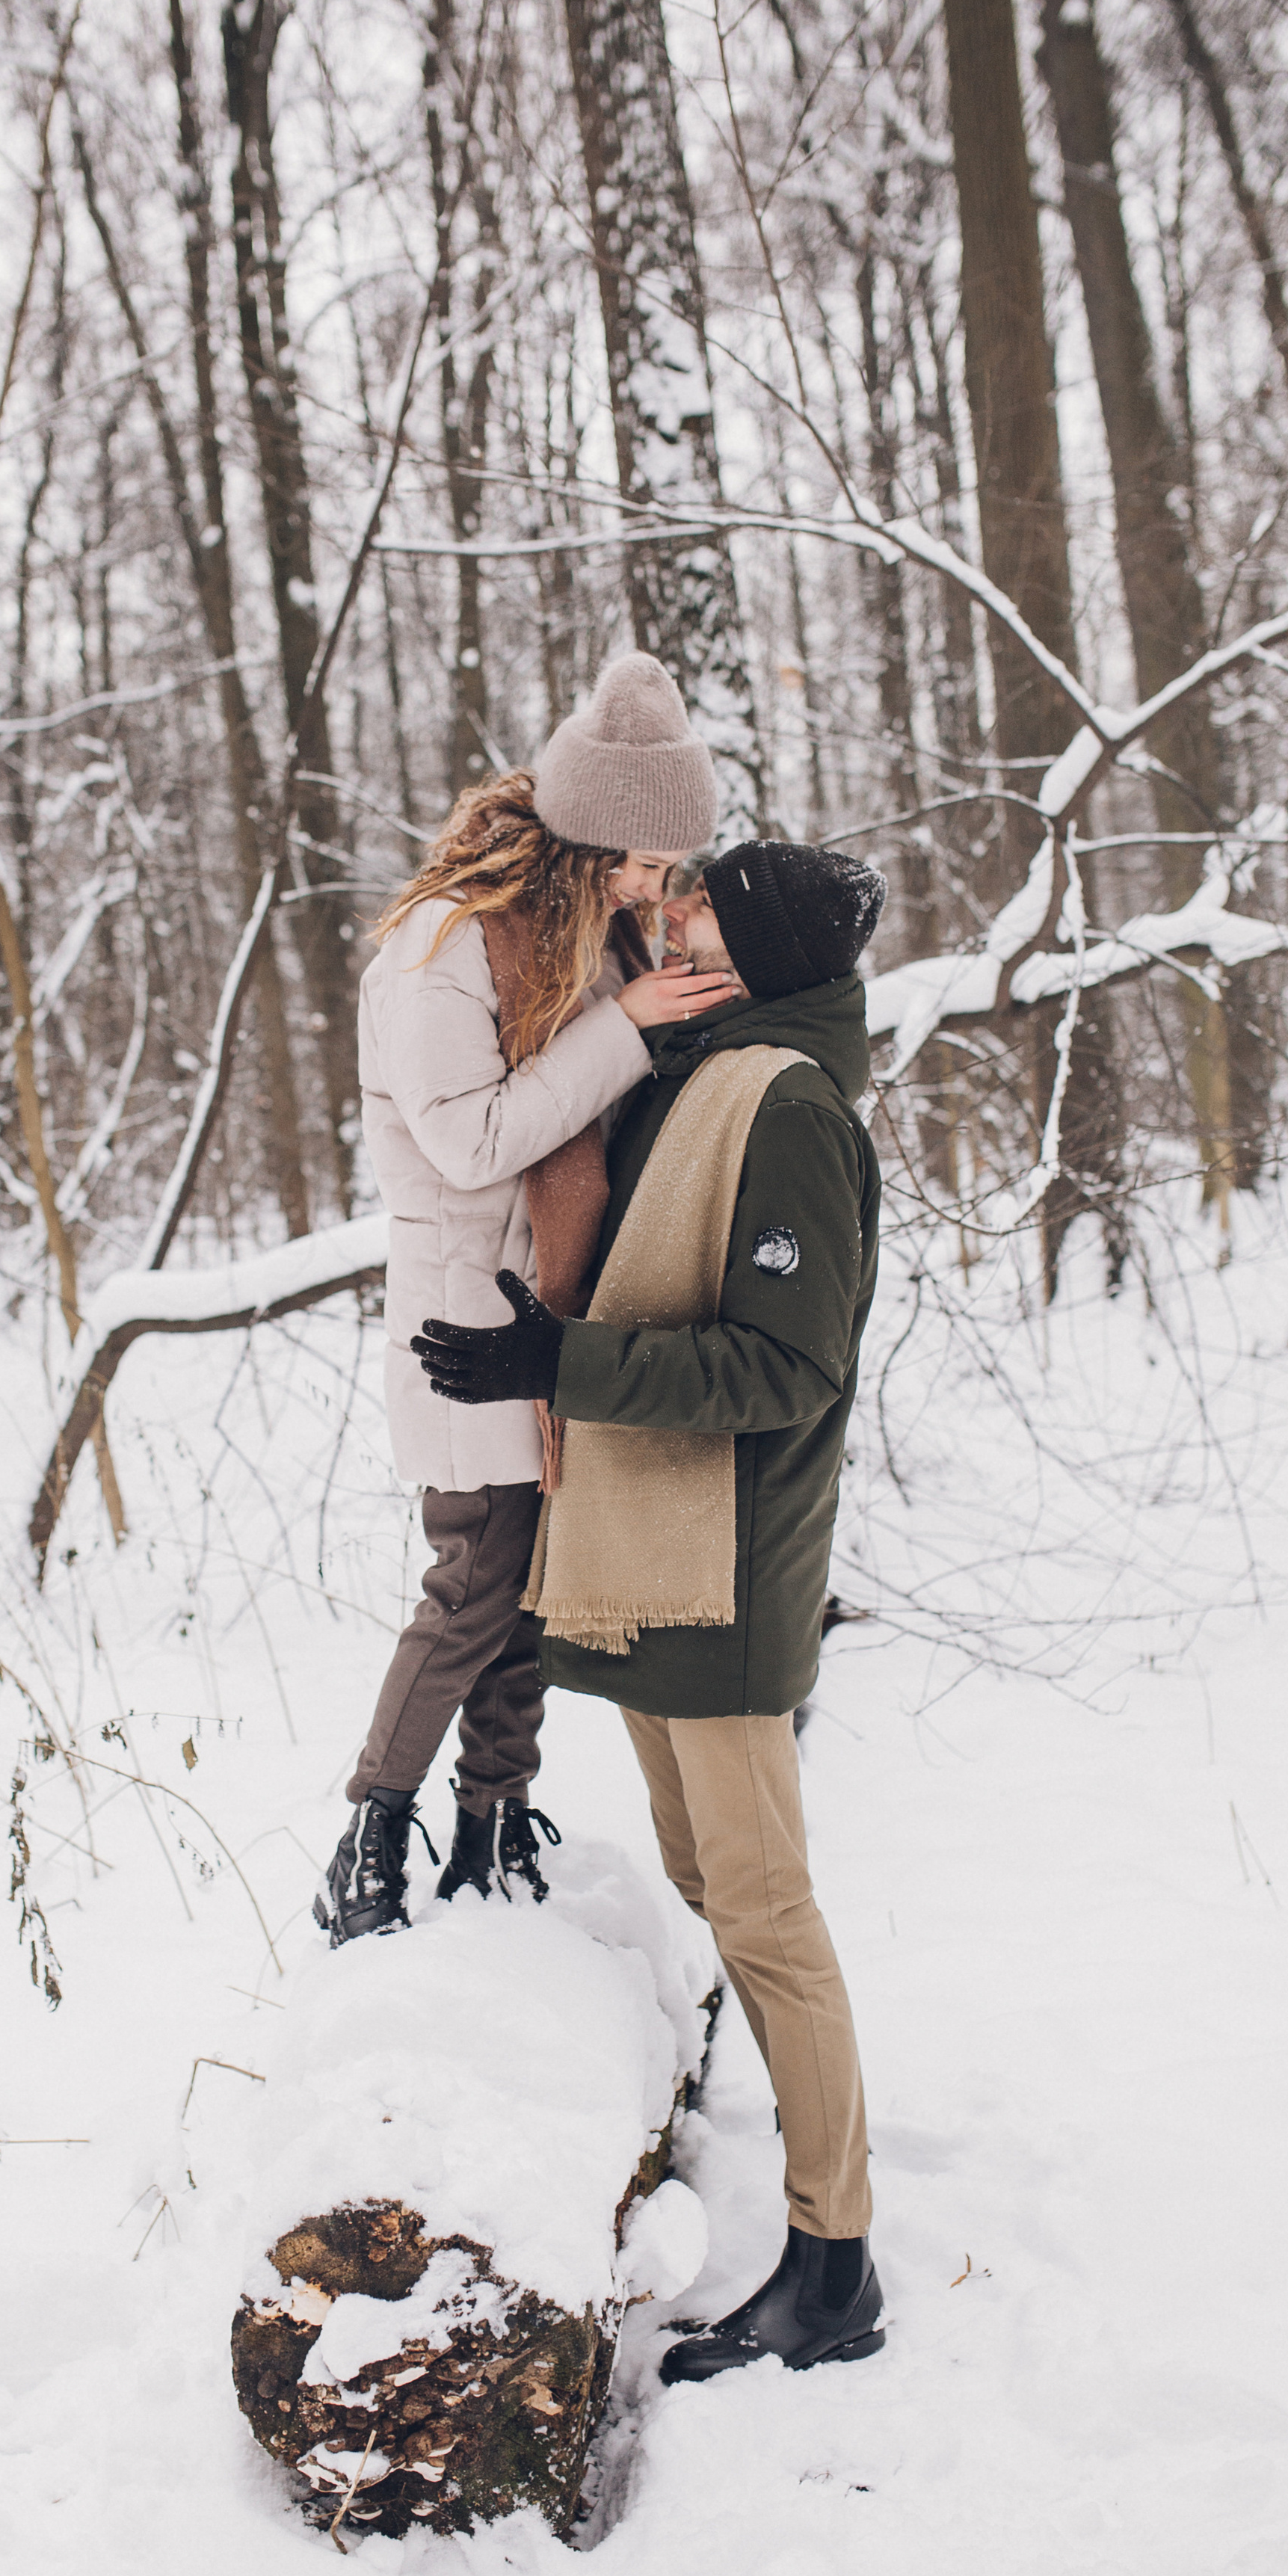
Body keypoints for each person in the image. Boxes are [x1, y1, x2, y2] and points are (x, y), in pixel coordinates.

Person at [411, 838, 890, 2383]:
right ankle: (802, 2185)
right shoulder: (710, 1070)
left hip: (729, 1567)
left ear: (751, 957)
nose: (671, 918)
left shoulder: (790, 1111)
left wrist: (558, 1371)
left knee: (766, 1911)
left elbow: (782, 1369)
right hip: (668, 1566)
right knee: (706, 1878)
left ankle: (833, 2263)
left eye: (698, 910)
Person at [314, 654, 739, 1947]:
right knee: (475, 1591)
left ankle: (492, 1830)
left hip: (547, 1320)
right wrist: (632, 1023)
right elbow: (472, 1140)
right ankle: (370, 1835)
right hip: (468, 1325)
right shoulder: (442, 948)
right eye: (652, 861)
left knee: (529, 1603)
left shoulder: (587, 944)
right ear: (601, 838)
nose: (662, 888)